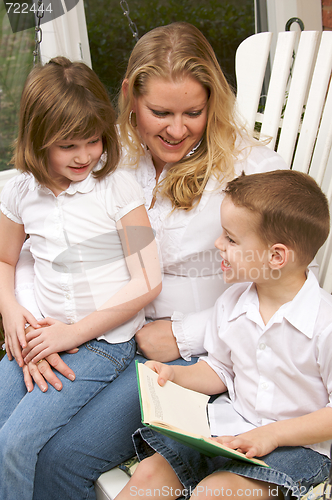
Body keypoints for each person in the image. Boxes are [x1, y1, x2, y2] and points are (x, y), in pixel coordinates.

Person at [11, 22, 287, 500]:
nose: (177, 129)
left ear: (213, 103)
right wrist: (29, 318)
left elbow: (281, 288)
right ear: (130, 97)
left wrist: (184, 334)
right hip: (99, 331)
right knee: (19, 442)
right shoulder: (101, 154)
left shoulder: (249, 171)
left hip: (188, 354)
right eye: (160, 112)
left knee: (64, 458)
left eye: (194, 112)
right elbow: (41, 245)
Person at [0, 56, 161, 500]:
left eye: (92, 141)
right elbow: (5, 261)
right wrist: (13, 312)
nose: (85, 156)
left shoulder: (118, 188)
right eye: (68, 145)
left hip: (103, 344)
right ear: (37, 140)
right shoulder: (19, 192)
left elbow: (148, 279)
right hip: (42, 335)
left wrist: (70, 333)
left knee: (15, 443)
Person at [118, 169, 332, 500]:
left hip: (297, 447)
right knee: (149, 475)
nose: (219, 244)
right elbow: (220, 369)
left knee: (215, 492)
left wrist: (272, 435)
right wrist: (174, 374)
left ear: (276, 256)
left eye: (231, 239)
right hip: (231, 427)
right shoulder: (233, 302)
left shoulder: (324, 324)